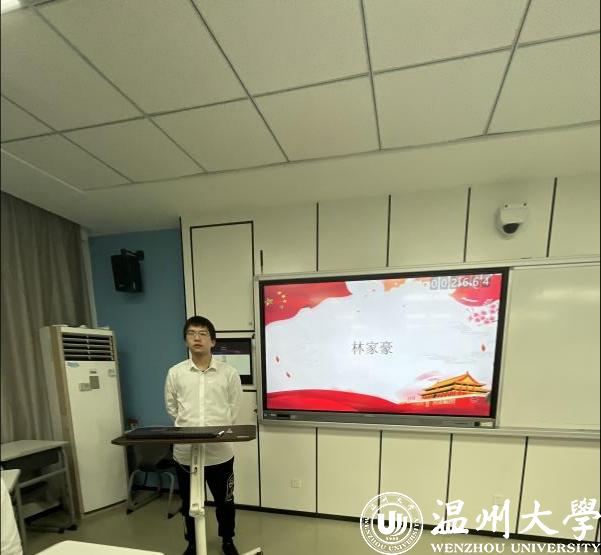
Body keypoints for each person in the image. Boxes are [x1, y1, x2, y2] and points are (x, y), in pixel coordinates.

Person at [165, 316, 243, 555]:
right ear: (185, 340)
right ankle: (192, 543)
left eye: (202, 333)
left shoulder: (228, 373)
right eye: (191, 333)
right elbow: (172, 409)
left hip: (219, 453)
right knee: (189, 502)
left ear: (213, 341)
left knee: (225, 501)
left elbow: (234, 408)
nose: (197, 338)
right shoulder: (175, 373)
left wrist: (218, 433)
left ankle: (227, 540)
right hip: (185, 454)